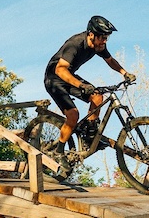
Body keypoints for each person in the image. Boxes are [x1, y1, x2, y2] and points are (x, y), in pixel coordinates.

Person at [44, 15, 136, 177]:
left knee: (97, 97)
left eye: (106, 38)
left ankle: (88, 135)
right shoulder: (75, 44)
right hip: (54, 79)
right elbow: (60, 69)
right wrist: (81, 85)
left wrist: (124, 73)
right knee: (73, 114)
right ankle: (59, 150)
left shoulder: (98, 46)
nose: (104, 41)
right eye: (102, 37)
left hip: (69, 76)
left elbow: (110, 60)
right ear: (91, 34)